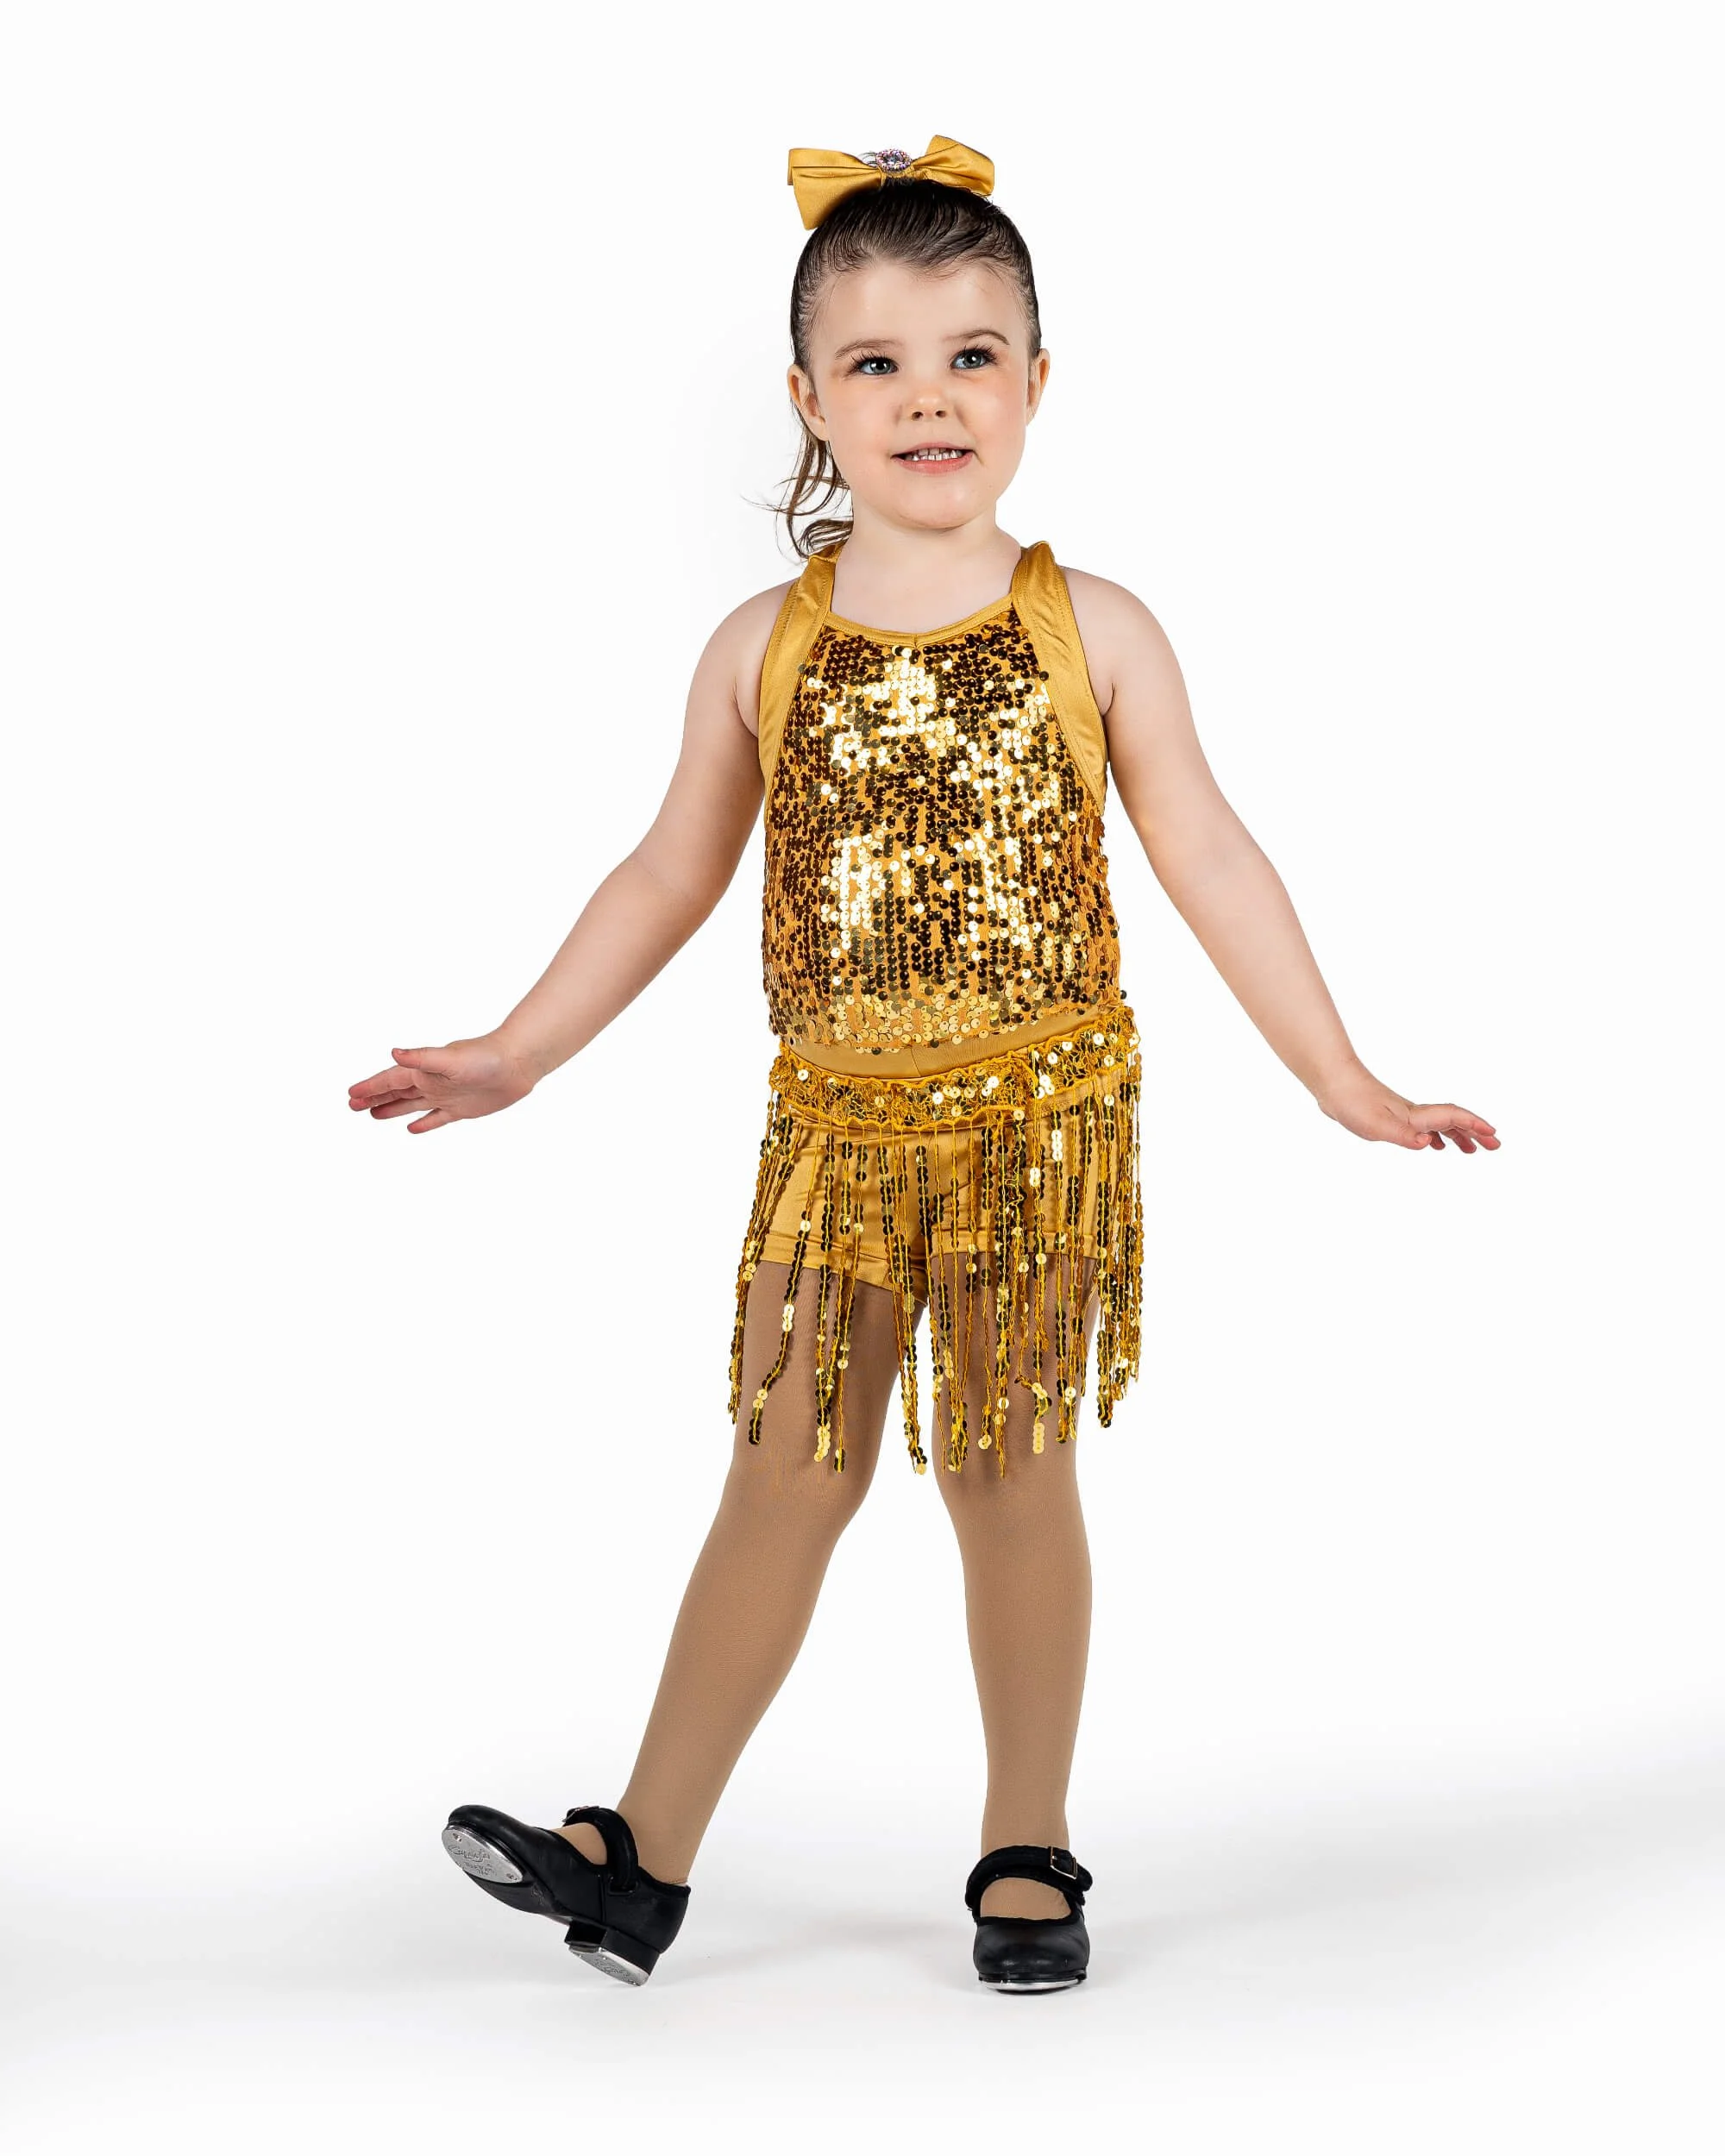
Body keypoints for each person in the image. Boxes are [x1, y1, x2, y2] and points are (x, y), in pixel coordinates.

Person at [347, 135, 1499, 1994]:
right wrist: (519, 1051)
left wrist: (1338, 1077)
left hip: (1038, 1127)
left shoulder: (1093, 626)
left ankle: (1025, 1843)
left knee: (1005, 1473)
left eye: (970, 355)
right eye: (875, 362)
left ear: (1036, 382)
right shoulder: (761, 647)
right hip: (834, 1132)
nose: (928, 396)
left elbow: (1209, 855)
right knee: (782, 1471)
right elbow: (666, 873)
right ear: (811, 400)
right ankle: (638, 1858)